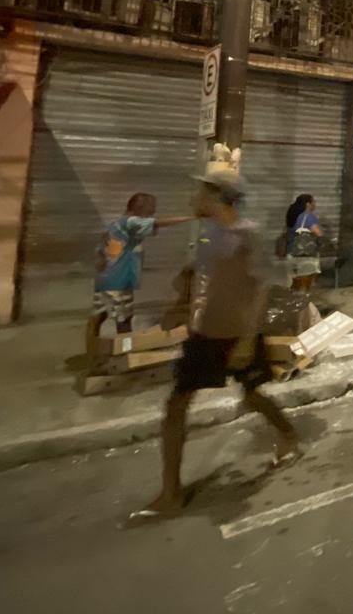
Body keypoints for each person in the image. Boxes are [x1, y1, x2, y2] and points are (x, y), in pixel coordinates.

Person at [130, 169, 300, 522]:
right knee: (176, 405)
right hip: (204, 334)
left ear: (220, 197)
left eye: (202, 192)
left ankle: (288, 435)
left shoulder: (246, 236)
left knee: (252, 396)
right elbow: (202, 275)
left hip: (238, 335)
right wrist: (179, 307)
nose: (195, 197)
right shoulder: (208, 233)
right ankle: (171, 492)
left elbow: (260, 290)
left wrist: (245, 341)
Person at [88, 193, 190, 356]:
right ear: (141, 209)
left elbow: (99, 252)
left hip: (105, 280)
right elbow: (158, 223)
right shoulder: (131, 222)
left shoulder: (115, 225)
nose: (153, 213)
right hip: (118, 282)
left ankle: (91, 352)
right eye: (151, 209)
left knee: (98, 316)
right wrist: (190, 218)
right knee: (124, 321)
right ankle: (126, 352)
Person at [283, 194, 325, 292]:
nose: (315, 204)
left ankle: (295, 303)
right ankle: (305, 304)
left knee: (295, 284)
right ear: (308, 204)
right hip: (306, 256)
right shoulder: (309, 216)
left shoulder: (295, 215)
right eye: (313, 202)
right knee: (305, 285)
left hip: (293, 253)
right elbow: (318, 233)